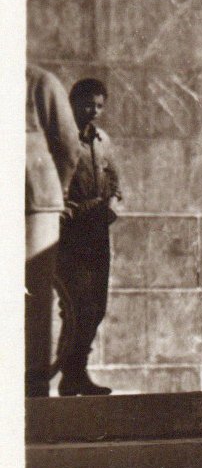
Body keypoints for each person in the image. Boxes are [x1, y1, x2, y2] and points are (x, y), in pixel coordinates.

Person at [56, 77, 121, 396]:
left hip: (98, 228)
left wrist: (114, 202)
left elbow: (114, 179)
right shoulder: (59, 136)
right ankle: (69, 372)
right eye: (87, 105)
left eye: (99, 106)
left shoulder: (102, 139)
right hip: (71, 230)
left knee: (97, 306)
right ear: (73, 102)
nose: (93, 111)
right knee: (76, 304)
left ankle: (75, 372)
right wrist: (62, 208)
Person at [25, 66, 80, 398]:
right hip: (37, 197)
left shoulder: (40, 81)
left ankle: (34, 382)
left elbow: (69, 145)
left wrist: (56, 190)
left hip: (35, 202)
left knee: (33, 290)